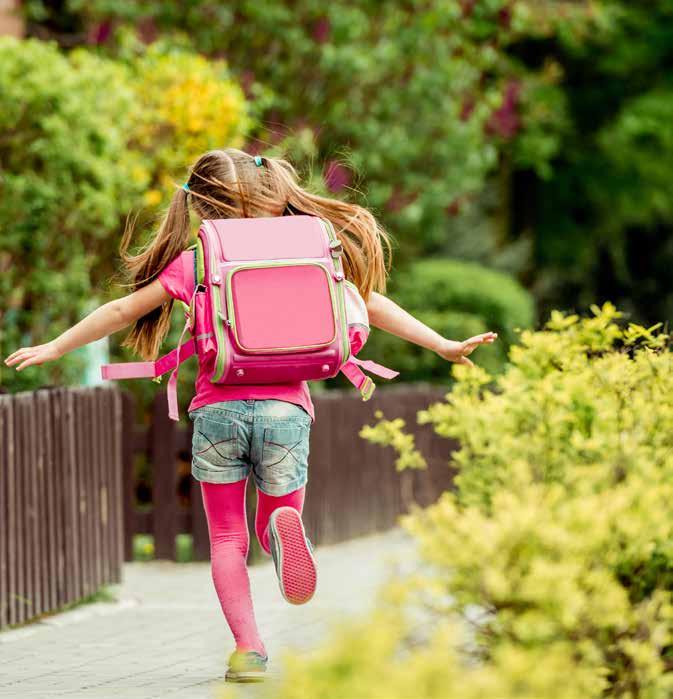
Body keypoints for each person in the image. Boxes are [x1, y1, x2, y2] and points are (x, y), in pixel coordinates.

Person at [4, 148, 497, 682]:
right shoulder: (314, 250)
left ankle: (249, 649)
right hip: (287, 410)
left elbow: (124, 310)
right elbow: (372, 303)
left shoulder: (196, 260)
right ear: (277, 198)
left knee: (224, 540)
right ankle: (282, 530)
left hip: (219, 409)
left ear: (203, 209)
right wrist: (443, 344)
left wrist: (56, 346)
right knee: (273, 520)